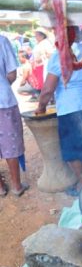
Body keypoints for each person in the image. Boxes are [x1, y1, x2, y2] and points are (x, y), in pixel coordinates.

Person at [35, 27, 82, 197]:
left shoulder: (59, 56)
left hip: (70, 107)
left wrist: (41, 107)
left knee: (72, 147)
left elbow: (48, 89)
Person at [0, 34, 29, 197]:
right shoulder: (2, 40)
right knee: (10, 144)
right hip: (3, 101)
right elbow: (12, 74)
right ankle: (17, 186)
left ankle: (0, 187)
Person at [29, 27, 54, 102]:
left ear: (42, 36)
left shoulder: (46, 43)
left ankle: (49, 99)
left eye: (37, 35)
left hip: (43, 66)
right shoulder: (39, 43)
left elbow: (50, 54)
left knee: (45, 82)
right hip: (38, 66)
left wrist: (41, 58)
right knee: (40, 83)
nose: (35, 37)